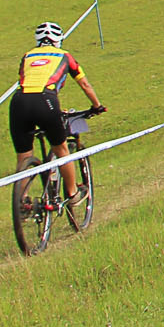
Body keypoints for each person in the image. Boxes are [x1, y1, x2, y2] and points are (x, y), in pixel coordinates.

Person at [10, 21, 102, 207]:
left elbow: (29, 82)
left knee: (24, 156)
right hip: (46, 100)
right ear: (59, 40)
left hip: (19, 102)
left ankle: (22, 202)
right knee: (61, 149)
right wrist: (97, 106)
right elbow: (85, 85)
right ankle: (73, 194)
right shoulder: (65, 56)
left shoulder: (27, 55)